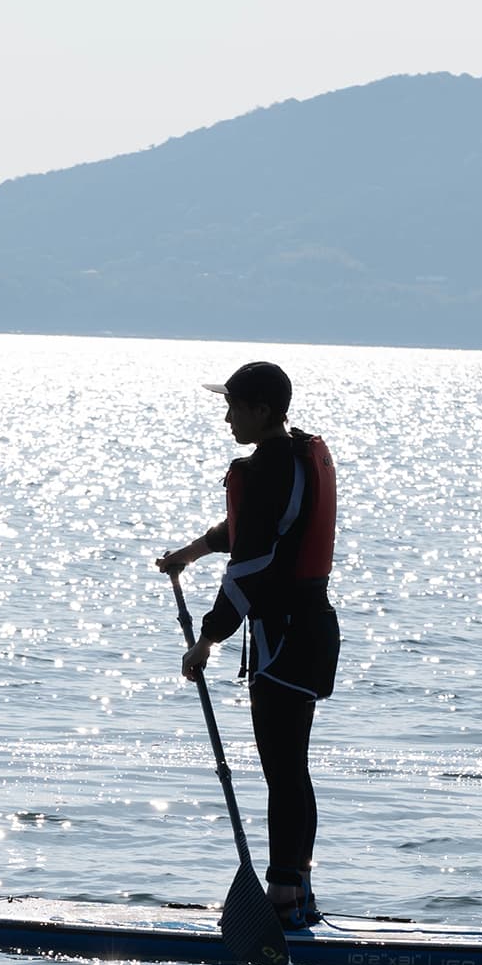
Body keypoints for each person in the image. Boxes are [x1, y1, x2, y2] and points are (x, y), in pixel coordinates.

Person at [157, 360, 340, 927]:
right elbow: (248, 530)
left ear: (263, 410)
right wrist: (190, 552)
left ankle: (283, 900)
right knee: (291, 769)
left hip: (284, 636)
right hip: (308, 629)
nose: (229, 417)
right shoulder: (293, 458)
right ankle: (296, 892)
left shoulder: (268, 467)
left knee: (283, 770)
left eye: (235, 406)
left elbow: (252, 563)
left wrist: (208, 638)